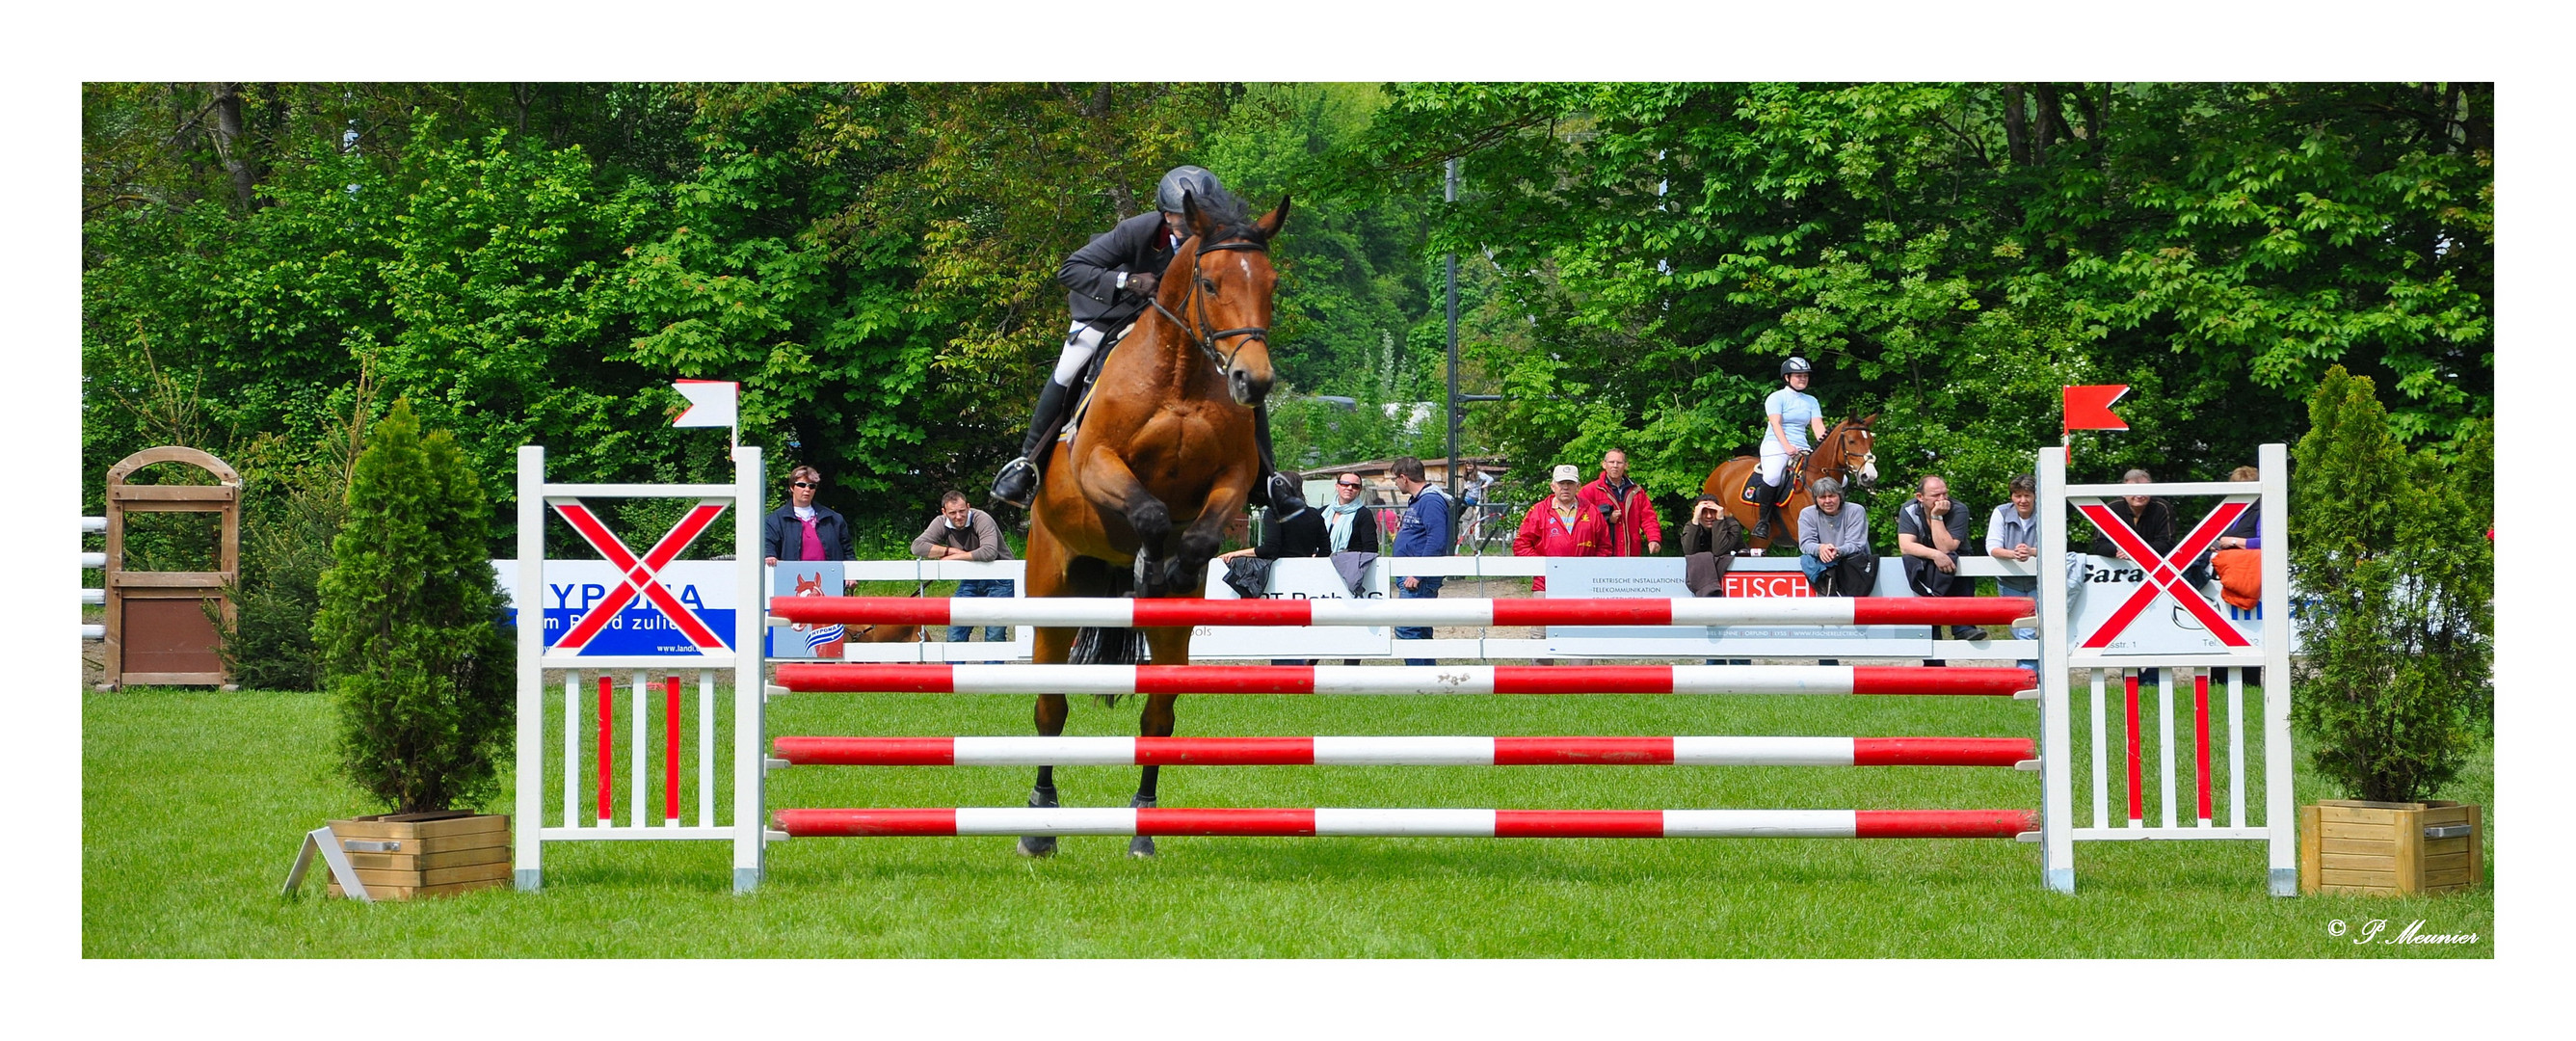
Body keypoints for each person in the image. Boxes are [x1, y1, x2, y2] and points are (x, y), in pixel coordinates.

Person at [990, 165, 1298, 514]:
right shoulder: (1137, 230)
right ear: (1166, 215)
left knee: (1244, 374)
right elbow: (1071, 268)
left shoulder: (1220, 241)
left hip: (1183, 327)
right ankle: (1026, 463)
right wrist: (1128, 282)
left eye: (1204, 216)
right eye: (1188, 218)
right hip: (1113, 313)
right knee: (1070, 366)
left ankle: (1268, 478)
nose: (1198, 225)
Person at [912, 491, 1016, 654]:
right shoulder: (941, 522)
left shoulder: (981, 518)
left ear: (968, 507)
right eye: (952, 512)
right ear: (944, 512)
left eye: (962, 511)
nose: (958, 516)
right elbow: (917, 546)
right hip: (972, 577)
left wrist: (955, 558)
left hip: (1000, 578)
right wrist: (949, 551)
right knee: (955, 631)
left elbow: (989, 552)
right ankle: (955, 677)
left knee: (994, 633)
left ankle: (993, 678)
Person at [1896, 474, 1986, 647]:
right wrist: (1935, 555)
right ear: (1919, 497)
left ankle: (1963, 627)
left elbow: (1947, 547)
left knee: (1953, 560)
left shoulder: (1959, 509)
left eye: (1945, 493)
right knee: (1927, 609)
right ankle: (1934, 650)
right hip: (1926, 564)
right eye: (1936, 495)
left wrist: (1936, 517)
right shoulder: (1908, 509)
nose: (1942, 499)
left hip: (1957, 564)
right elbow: (1906, 546)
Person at [1387, 456, 1451, 667]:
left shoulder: (1430, 500)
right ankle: (1428, 679)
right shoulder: (1419, 500)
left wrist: (1419, 573)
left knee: (1407, 628)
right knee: (1420, 630)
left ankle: (1418, 679)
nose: (1396, 484)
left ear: (1404, 478)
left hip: (1418, 577)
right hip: (1412, 574)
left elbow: (1436, 540)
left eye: (1396, 479)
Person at [1753, 357, 1826, 541]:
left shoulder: (1811, 401)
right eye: (1798, 375)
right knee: (1773, 476)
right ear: (1787, 377)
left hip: (1802, 446)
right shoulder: (1776, 397)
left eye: (1805, 376)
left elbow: (1818, 427)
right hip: (1776, 444)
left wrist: (1824, 447)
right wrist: (1786, 447)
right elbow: (1776, 424)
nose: (1803, 379)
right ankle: (1763, 521)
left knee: (1836, 479)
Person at [1511, 464, 1612, 592]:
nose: (1565, 487)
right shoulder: (1537, 511)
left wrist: (1591, 568)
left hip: (1585, 583)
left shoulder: (1592, 511)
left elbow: (1605, 547)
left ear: (1578, 486)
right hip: (1545, 584)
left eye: (1570, 483)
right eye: (1561, 483)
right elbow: (1521, 545)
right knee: (1543, 612)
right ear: (1553, 486)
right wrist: (1544, 566)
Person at [1985, 472, 2042, 672]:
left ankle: (2028, 675)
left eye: (2027, 495)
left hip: (2040, 582)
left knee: (2033, 629)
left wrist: (2032, 551)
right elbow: (1992, 547)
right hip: (2009, 581)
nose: (2023, 500)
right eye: (2018, 495)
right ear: (2012, 497)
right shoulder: (2001, 513)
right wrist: (2014, 554)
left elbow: (2057, 545)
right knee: (2018, 629)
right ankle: (2032, 674)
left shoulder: (2046, 512)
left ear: (2035, 496)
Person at [1796, 476, 1874, 597]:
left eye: (1832, 496)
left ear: (1840, 496)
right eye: (1822, 497)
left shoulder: (1856, 510)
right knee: (1807, 560)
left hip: (1853, 564)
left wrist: (1836, 551)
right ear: (1816, 499)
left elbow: (1856, 544)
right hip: (1822, 561)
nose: (1828, 501)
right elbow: (1806, 543)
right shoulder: (1807, 514)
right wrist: (1821, 548)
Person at [761, 466, 853, 567]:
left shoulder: (833, 518)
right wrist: (770, 556)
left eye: (811, 486)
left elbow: (847, 550)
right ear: (792, 487)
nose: (807, 489)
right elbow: (768, 545)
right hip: (793, 578)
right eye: (801, 485)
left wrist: (851, 574)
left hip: (828, 577)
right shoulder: (775, 520)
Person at [1579, 448, 1663, 556]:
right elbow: (1581, 519)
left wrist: (1654, 539)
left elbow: (1648, 517)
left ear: (1626, 465)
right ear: (1604, 464)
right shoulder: (1590, 490)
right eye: (1611, 462)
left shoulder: (1637, 491)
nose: (1615, 465)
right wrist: (1607, 517)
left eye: (1619, 462)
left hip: (1631, 553)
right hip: (1601, 554)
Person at [2087, 468, 2176, 561]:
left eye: (2144, 490)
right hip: (2119, 566)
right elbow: (2099, 543)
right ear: (2123, 493)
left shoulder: (2162, 507)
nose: (2139, 496)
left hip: (2157, 565)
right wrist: (2117, 551)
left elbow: (2167, 542)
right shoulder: (2112, 508)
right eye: (2133, 490)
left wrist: (2136, 552)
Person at [1316, 470, 1380, 555]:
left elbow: (1370, 548)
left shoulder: (1364, 514)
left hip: (1350, 565)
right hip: (1321, 563)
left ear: (1359, 490)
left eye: (1355, 486)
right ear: (1337, 486)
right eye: (1345, 484)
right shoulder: (1322, 512)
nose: (1350, 488)